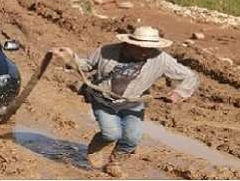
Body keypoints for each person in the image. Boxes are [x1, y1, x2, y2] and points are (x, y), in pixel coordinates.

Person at [70, 26, 199, 177]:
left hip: (134, 102)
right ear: (129, 43)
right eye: (140, 48)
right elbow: (86, 65)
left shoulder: (161, 59)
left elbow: (190, 76)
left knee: (132, 137)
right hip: (103, 99)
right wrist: (70, 58)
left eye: (150, 48)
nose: (145, 52)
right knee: (111, 133)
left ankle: (115, 162)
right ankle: (95, 149)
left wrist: (179, 92)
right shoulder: (107, 51)